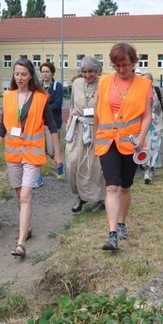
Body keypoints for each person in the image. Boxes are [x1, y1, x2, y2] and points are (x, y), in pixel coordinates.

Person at [0, 58, 63, 259]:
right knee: (19, 194)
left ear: (31, 75)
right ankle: (27, 228)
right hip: (13, 153)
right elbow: (2, 126)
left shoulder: (40, 97)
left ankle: (21, 243)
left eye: (23, 74)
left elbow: (52, 126)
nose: (20, 77)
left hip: (32, 152)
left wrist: (57, 153)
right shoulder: (8, 96)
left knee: (25, 196)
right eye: (17, 74)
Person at [94, 43, 152, 251]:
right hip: (107, 140)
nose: (120, 70)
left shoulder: (144, 85)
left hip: (131, 142)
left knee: (125, 187)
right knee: (112, 187)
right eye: (116, 66)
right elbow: (98, 112)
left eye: (125, 65)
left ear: (134, 62)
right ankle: (112, 235)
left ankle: (122, 223)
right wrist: (95, 137)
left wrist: (141, 138)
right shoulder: (104, 82)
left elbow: (147, 115)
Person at [64, 56, 105, 212]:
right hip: (77, 128)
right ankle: (80, 195)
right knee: (73, 163)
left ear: (98, 71)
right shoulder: (76, 83)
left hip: (96, 129)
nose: (87, 75)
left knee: (94, 167)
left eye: (91, 72)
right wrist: (69, 121)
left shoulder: (103, 84)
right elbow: (73, 105)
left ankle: (102, 197)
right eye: (84, 72)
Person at [136, 71, 163, 183]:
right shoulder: (137, 92)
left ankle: (148, 171)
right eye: (143, 80)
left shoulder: (158, 91)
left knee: (153, 146)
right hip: (142, 125)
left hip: (156, 124)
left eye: (148, 80)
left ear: (151, 81)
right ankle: (149, 167)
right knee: (144, 147)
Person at [35, 61, 65, 186]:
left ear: (52, 73)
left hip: (53, 123)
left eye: (47, 72)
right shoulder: (38, 86)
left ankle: (59, 163)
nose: (45, 74)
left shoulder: (57, 86)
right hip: (38, 123)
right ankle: (38, 177)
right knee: (38, 151)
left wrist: (43, 109)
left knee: (51, 151)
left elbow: (58, 104)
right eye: (43, 72)